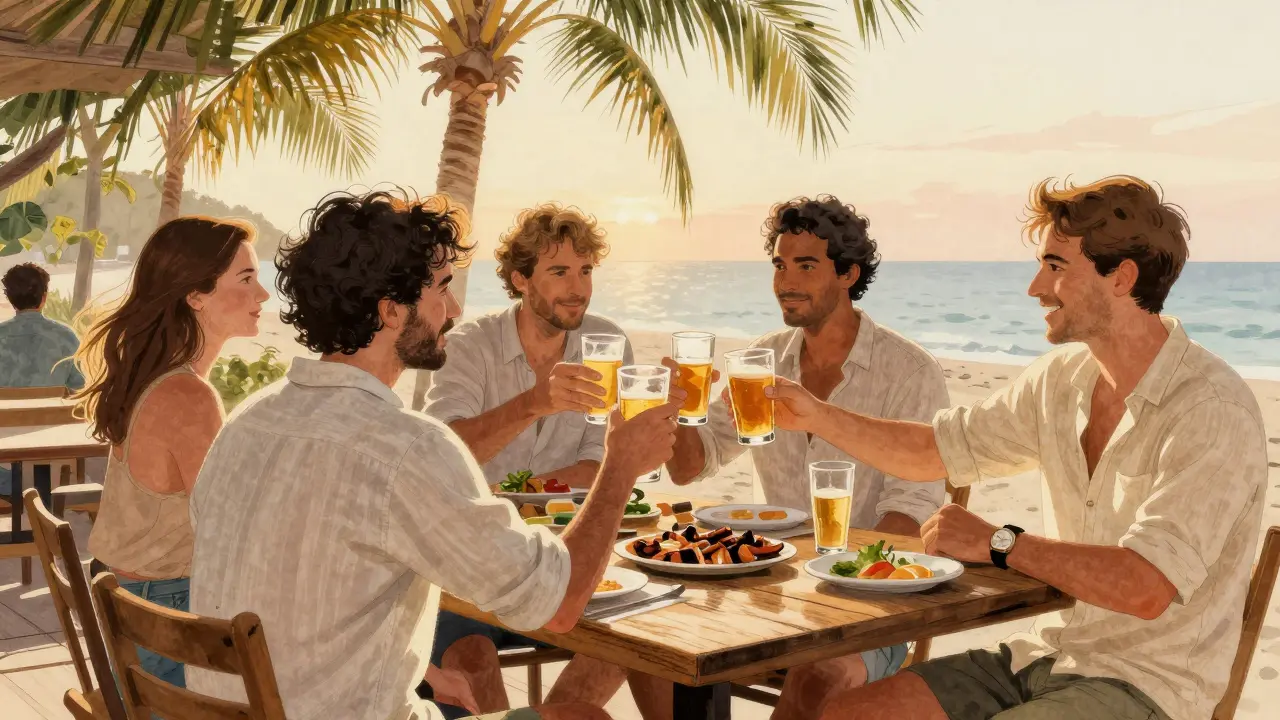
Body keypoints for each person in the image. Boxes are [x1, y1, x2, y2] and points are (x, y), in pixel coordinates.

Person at [763, 176, 1267, 720]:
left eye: (1055, 267)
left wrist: (1002, 542)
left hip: (1150, 685)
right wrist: (817, 415)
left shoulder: (1211, 410)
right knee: (845, 715)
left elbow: (1145, 586)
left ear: (1121, 278)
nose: (1035, 287)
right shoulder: (1061, 380)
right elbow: (934, 450)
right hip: (1045, 656)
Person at [186, 189, 678, 720]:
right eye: (442, 288)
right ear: (391, 311)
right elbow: (557, 606)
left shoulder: (246, 423)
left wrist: (421, 669)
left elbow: (299, 590)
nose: (456, 309)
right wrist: (621, 464)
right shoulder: (404, 447)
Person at [625, 196, 950, 720]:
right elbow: (691, 466)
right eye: (779, 264)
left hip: (869, 599)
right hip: (767, 583)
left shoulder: (909, 372)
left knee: (819, 673)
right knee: (647, 639)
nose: (786, 281)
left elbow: (912, 512)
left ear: (847, 273)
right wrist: (680, 414)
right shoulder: (763, 361)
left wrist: (840, 577)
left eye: (806, 265)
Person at [421, 203, 637, 715]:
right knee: (471, 656)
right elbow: (444, 451)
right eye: (559, 271)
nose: (578, 287)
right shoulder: (470, 345)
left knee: (637, 645)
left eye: (586, 271)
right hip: (475, 562)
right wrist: (534, 403)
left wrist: (524, 495)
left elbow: (600, 462)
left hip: (569, 554)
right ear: (521, 279)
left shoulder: (606, 344)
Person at [74, 216, 270, 689]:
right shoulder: (187, 397)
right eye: (246, 279)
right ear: (195, 295)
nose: (263, 295)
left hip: (136, 616)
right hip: (169, 623)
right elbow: (231, 531)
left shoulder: (155, 380)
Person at [0, 262, 86, 500]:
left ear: (10, 298)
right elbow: (81, 390)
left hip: (3, 459)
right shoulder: (66, 337)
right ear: (44, 297)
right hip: (52, 459)